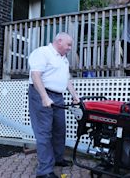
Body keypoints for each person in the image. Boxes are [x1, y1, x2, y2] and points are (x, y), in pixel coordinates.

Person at [28, 32, 80, 178]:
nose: (70, 48)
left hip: (58, 97)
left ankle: (57, 159)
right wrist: (44, 97)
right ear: (59, 41)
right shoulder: (43, 52)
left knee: (59, 129)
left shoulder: (63, 59)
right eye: (68, 45)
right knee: (44, 132)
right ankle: (44, 171)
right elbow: (35, 75)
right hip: (41, 94)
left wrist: (75, 97)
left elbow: (67, 79)